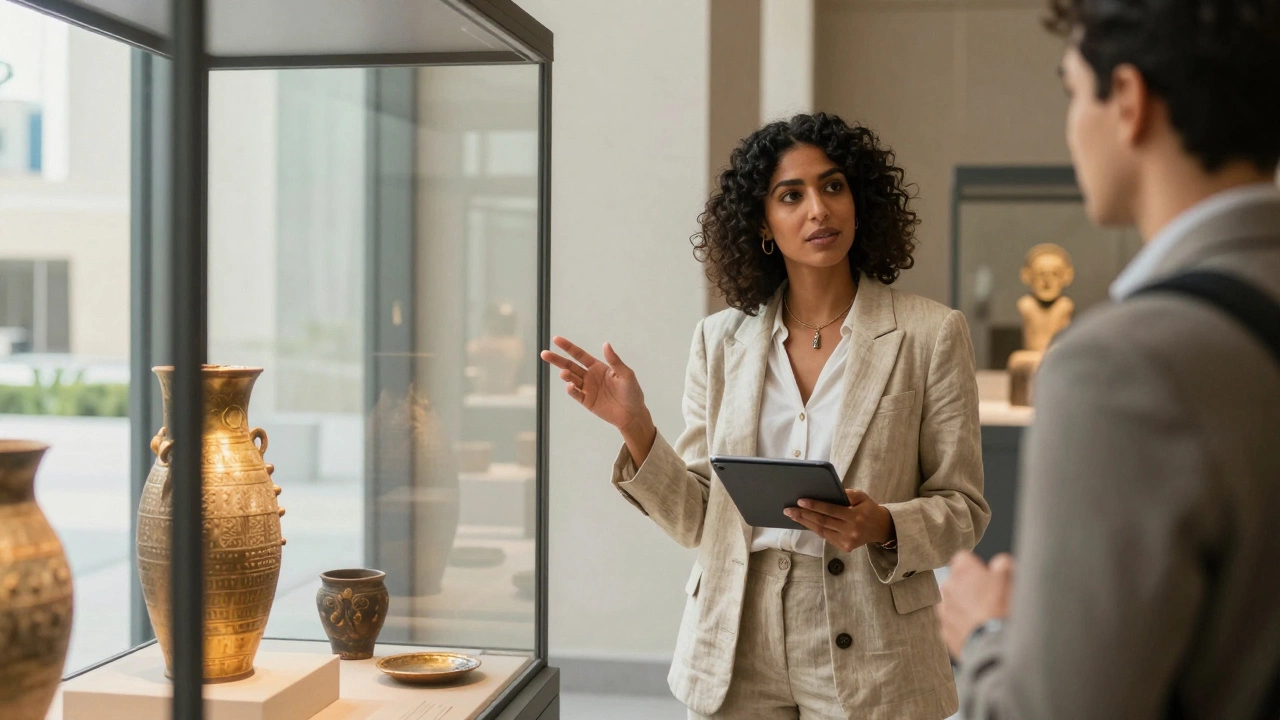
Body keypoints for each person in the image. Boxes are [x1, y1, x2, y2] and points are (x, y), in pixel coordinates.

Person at [541, 112, 990, 719]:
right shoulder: (718, 341)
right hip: (735, 633)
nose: (819, 210)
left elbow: (963, 510)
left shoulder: (930, 333)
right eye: (791, 195)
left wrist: (883, 524)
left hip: (876, 640)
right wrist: (636, 428)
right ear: (762, 223)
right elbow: (699, 520)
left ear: (861, 201)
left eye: (834, 186)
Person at [937, 1, 1280, 718]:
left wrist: (986, 635)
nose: (1070, 129)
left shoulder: (1119, 370)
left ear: (1127, 100)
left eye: (1071, 93)